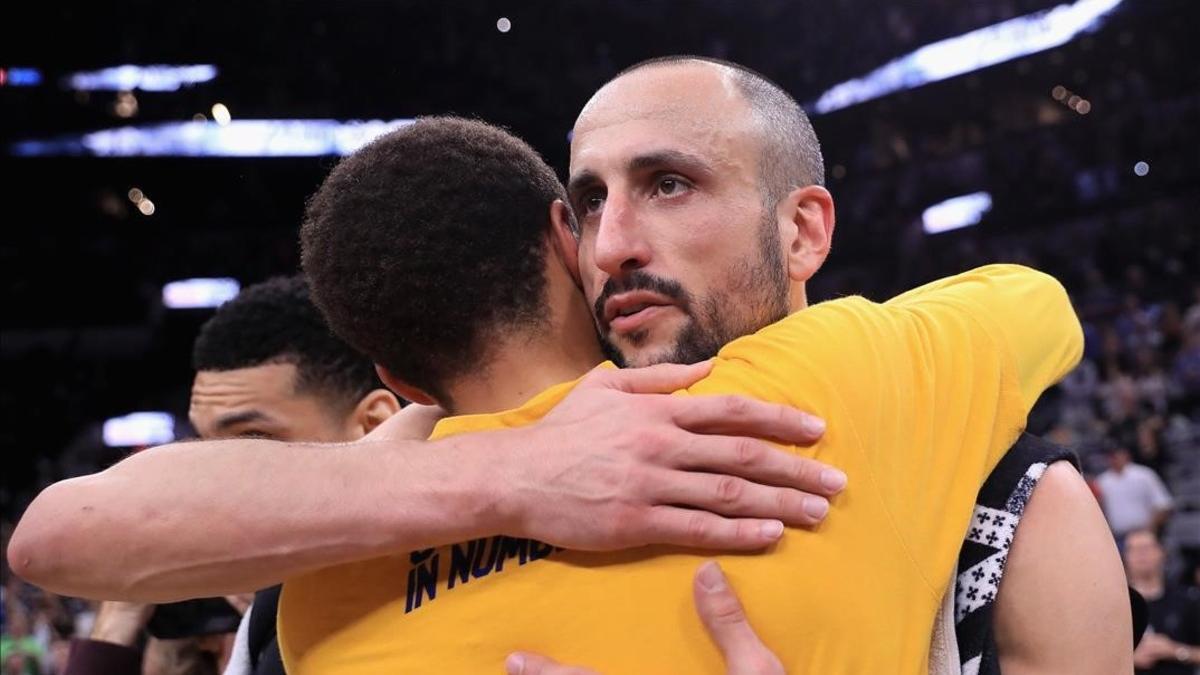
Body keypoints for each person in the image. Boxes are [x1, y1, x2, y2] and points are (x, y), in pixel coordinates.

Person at [278, 109, 1086, 673]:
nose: (621, 238)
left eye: (667, 184)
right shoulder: (827, 382)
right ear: (569, 242)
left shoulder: (315, 601)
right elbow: (1036, 302)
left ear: (396, 379)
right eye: (594, 202)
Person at [64, 275, 406, 675]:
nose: (215, 479)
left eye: (253, 439)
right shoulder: (231, 620)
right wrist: (117, 626)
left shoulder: (451, 590)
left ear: (372, 424)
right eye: (204, 445)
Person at [1125, 529, 1200, 673]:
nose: (1141, 554)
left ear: (1162, 552)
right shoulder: (1118, 604)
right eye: (1133, 549)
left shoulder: (1189, 599)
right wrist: (1130, 658)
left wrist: (1174, 650)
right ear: (1124, 557)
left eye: (1147, 547)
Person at [1098, 446, 1175, 540]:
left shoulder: (1144, 474)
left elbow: (1162, 505)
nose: (1115, 459)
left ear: (1126, 455)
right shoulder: (1102, 481)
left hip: (1145, 533)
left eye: (1117, 455)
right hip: (1117, 537)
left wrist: (1151, 529)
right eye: (1112, 456)